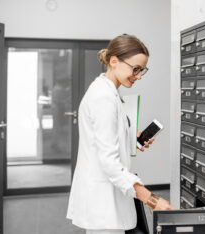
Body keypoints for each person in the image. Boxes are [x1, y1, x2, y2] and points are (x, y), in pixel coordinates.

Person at [67, 34, 172, 234]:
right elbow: (108, 161)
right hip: (103, 202)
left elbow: (105, 137)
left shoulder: (108, 91)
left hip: (108, 197)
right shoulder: (103, 98)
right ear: (114, 61)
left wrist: (129, 136)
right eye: (135, 69)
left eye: (142, 70)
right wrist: (152, 200)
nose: (139, 76)